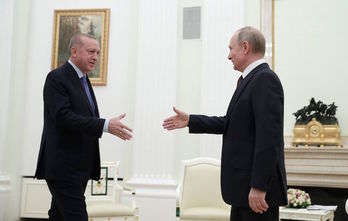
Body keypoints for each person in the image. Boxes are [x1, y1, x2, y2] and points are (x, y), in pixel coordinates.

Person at [163, 26, 287, 221]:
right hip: (243, 190)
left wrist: (259, 186)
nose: (229, 56)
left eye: (231, 49)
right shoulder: (249, 80)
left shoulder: (264, 79)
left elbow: (269, 139)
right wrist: (190, 121)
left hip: (255, 193)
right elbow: (229, 124)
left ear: (245, 47)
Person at [35, 33, 133, 221]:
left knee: (59, 216)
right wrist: (105, 125)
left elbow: (81, 119)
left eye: (97, 52)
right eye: (90, 51)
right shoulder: (56, 78)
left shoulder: (84, 80)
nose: (95, 56)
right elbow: (63, 117)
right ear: (74, 51)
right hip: (63, 167)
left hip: (79, 167)